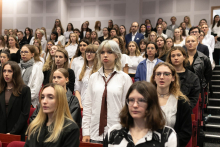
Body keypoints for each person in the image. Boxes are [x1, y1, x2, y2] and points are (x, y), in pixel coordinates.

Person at [82, 40, 132, 143]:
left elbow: (127, 108)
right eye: (102, 52)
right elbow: (88, 106)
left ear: (117, 55)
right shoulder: (93, 77)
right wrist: (86, 131)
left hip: (117, 132)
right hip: (94, 133)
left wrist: (126, 131)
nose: (105, 55)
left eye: (109, 52)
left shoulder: (125, 78)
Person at [103, 81, 177, 147]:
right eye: (131, 100)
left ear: (151, 103)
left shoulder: (167, 135)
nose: (135, 105)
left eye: (141, 100)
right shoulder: (114, 132)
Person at [151, 62, 192, 147]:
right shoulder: (146, 98)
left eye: (166, 74)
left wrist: (168, 144)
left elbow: (185, 133)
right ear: (154, 77)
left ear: (173, 77)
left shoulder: (181, 102)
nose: (161, 77)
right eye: (158, 74)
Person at [0, 61, 31, 141]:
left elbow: (24, 114)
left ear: (16, 73)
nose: (6, 74)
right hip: (1, 130)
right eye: (4, 71)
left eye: (10, 71)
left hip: (17, 131)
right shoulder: (0, 89)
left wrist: (13, 132)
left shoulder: (24, 90)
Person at [185, 35, 212, 106]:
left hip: (198, 89)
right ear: (185, 44)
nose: (190, 43)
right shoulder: (181, 57)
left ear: (197, 43)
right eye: (188, 41)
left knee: (197, 113)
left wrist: (201, 85)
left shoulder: (204, 58)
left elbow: (208, 75)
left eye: (193, 41)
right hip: (183, 88)